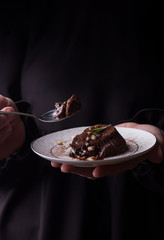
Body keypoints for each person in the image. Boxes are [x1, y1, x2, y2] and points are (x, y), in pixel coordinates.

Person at [0, 1, 164, 240]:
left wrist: (159, 137)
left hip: (143, 220)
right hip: (40, 222)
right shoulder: (14, 15)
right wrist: (11, 138)